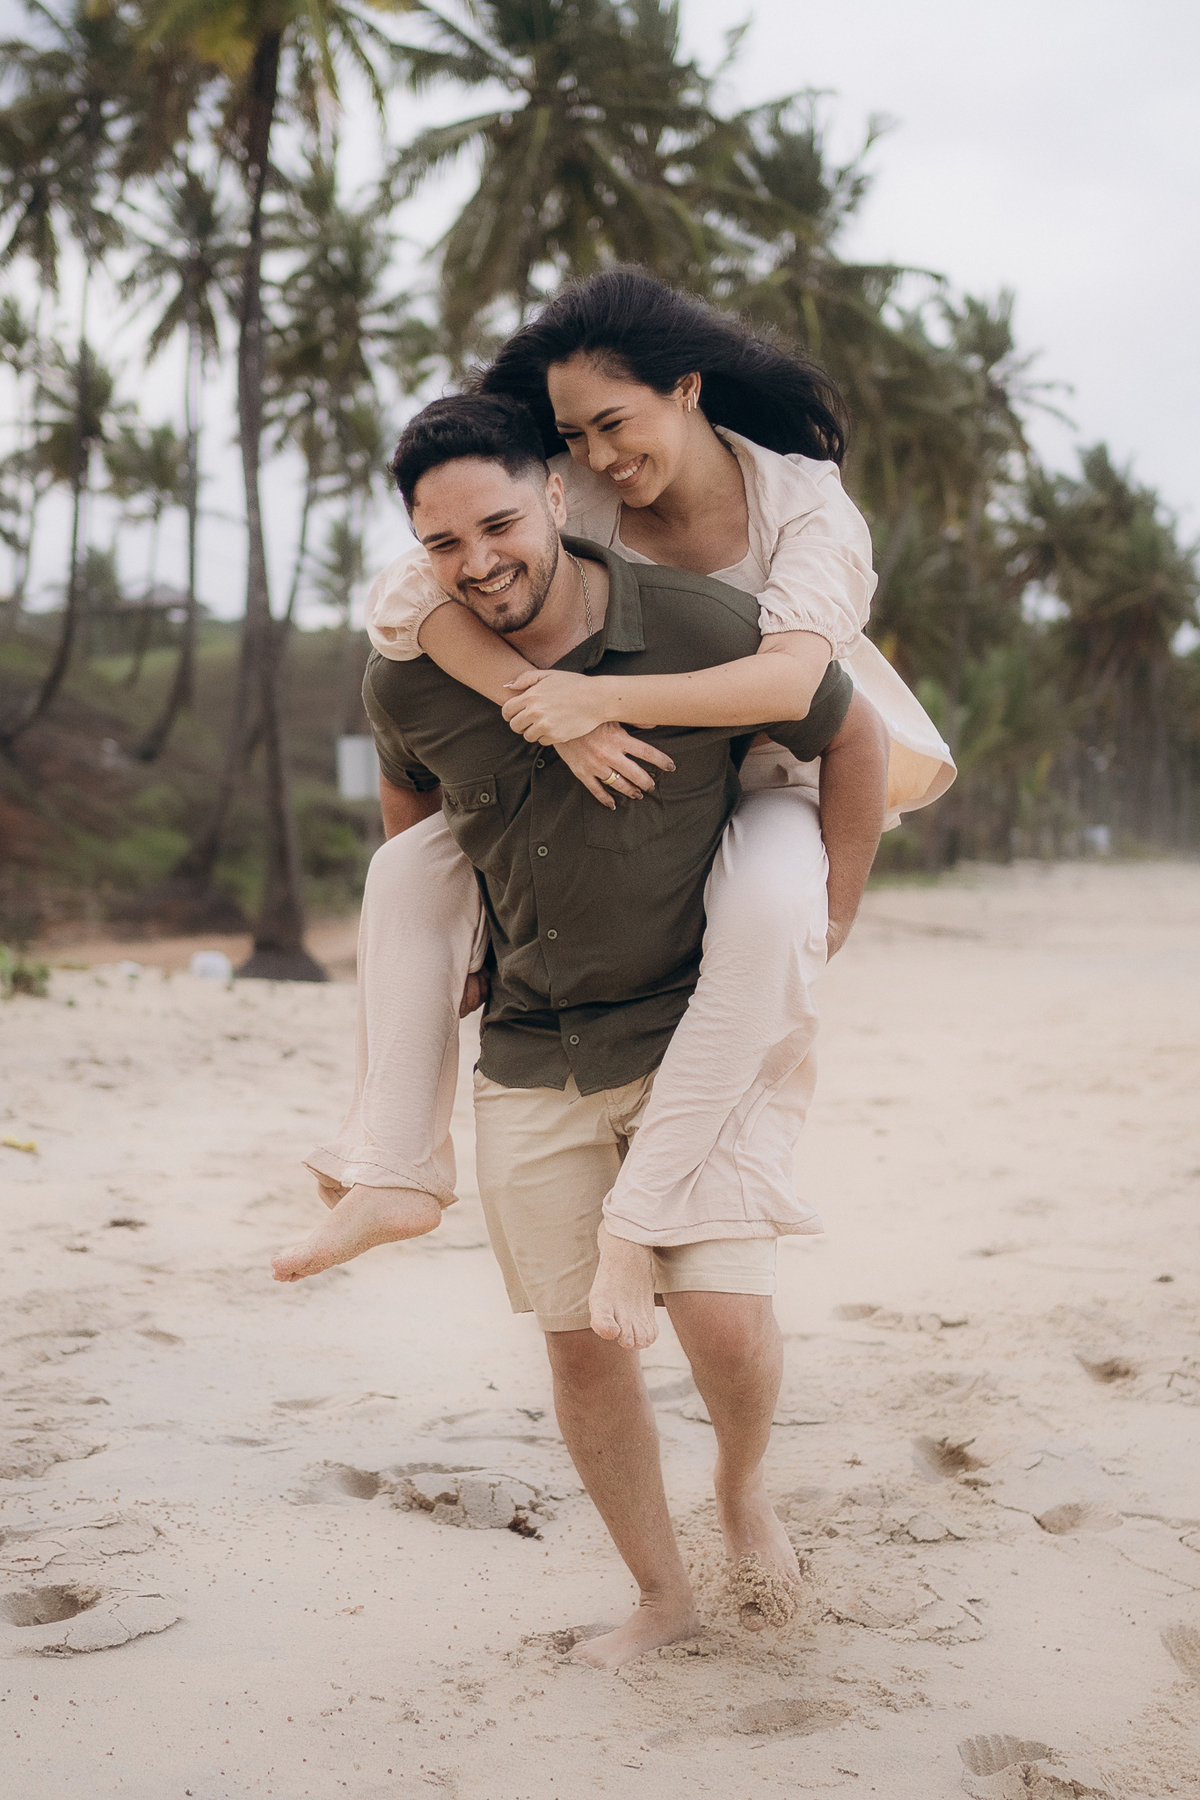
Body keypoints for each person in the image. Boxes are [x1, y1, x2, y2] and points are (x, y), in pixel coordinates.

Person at [283, 393, 887, 1668]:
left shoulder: (703, 626)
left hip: (690, 1031)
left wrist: (829, 914)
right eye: (443, 546)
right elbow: (410, 787)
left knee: (721, 1322)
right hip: (529, 1048)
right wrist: (449, 927)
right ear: (418, 553)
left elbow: (851, 735)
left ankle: (740, 1486)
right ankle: (661, 1597)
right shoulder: (415, 673)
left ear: (558, 495)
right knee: (580, 1350)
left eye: (499, 522)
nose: (479, 561)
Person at [278, 272, 952, 1347]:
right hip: (605, 763)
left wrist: (601, 703)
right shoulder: (571, 490)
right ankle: (394, 1165)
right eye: (572, 435)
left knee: (771, 913)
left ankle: (643, 1221)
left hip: (775, 770)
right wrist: (547, 711)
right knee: (401, 871)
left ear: (685, 388)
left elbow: (793, 690)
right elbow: (412, 605)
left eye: (612, 424)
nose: (595, 457)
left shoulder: (805, 504)